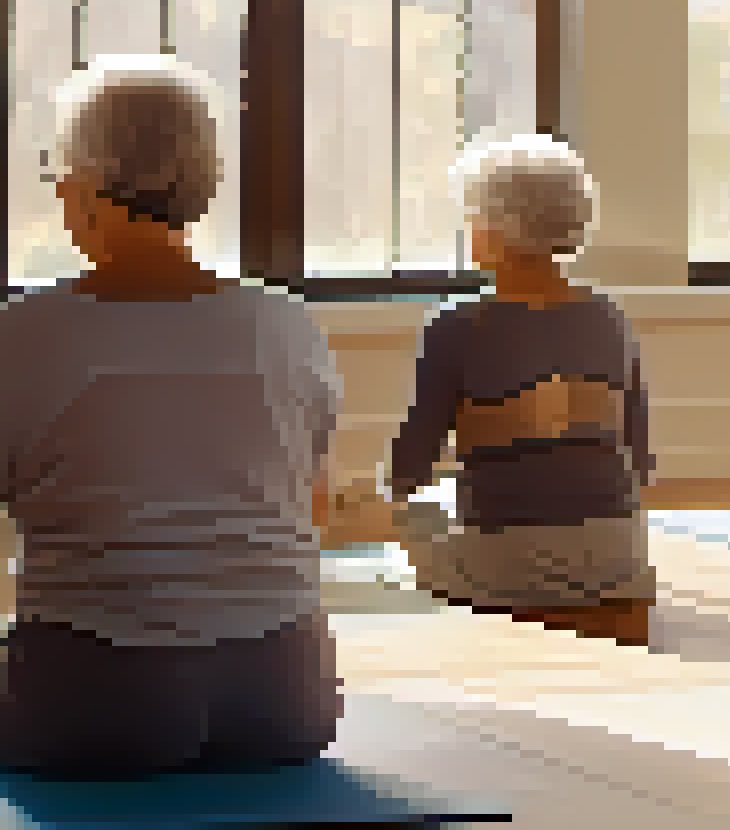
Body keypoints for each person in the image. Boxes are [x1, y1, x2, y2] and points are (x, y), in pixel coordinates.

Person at [0, 56, 343, 779]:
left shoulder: (27, 333)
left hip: (95, 703)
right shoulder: (286, 327)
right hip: (285, 702)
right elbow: (305, 491)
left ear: (81, 186)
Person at [388, 134, 659, 648]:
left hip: (505, 565)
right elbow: (640, 455)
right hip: (617, 559)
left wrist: (394, 500)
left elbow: (412, 459)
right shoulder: (610, 314)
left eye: (472, 217)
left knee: (418, 522)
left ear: (497, 231)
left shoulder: (456, 323)